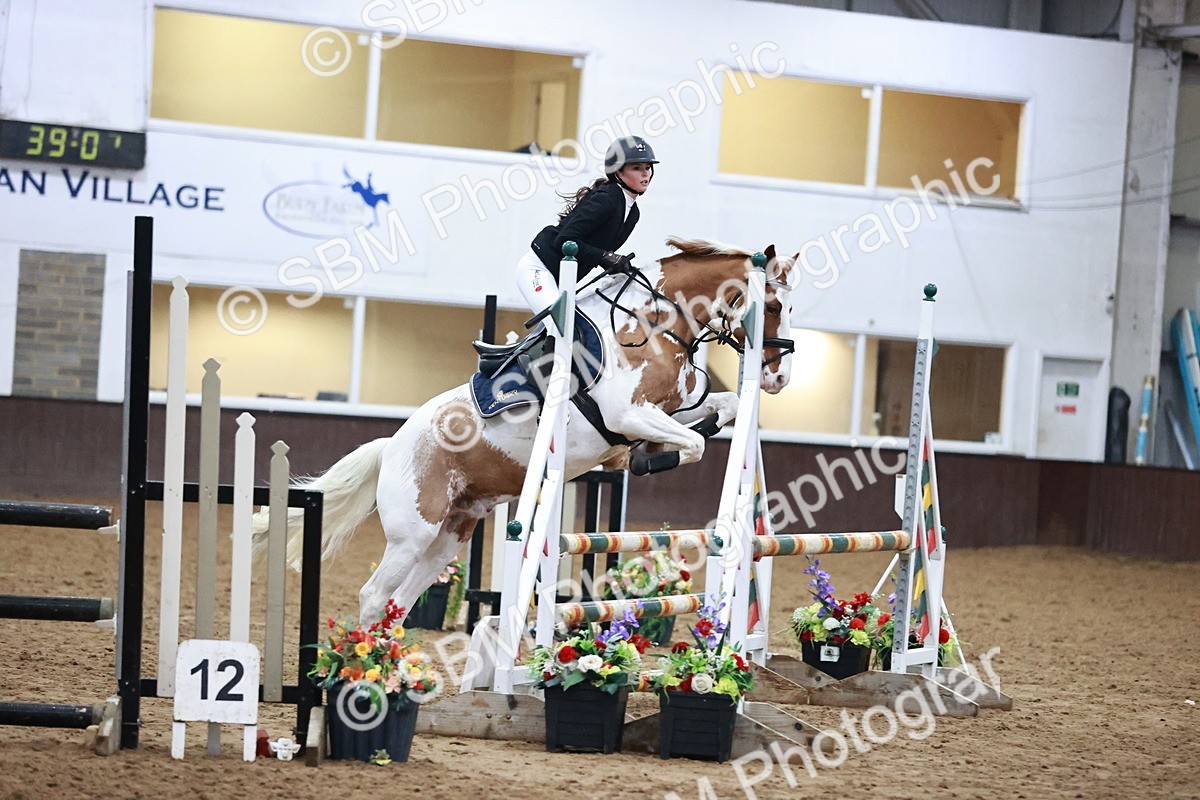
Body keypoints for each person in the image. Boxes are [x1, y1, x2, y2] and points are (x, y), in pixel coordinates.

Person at [516, 136, 658, 316]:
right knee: (560, 321)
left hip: (564, 278)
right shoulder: (607, 198)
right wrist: (607, 256)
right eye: (636, 168)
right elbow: (565, 240)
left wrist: (621, 267)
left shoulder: (632, 212)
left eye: (647, 168)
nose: (645, 174)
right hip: (539, 269)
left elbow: (595, 250)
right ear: (617, 172)